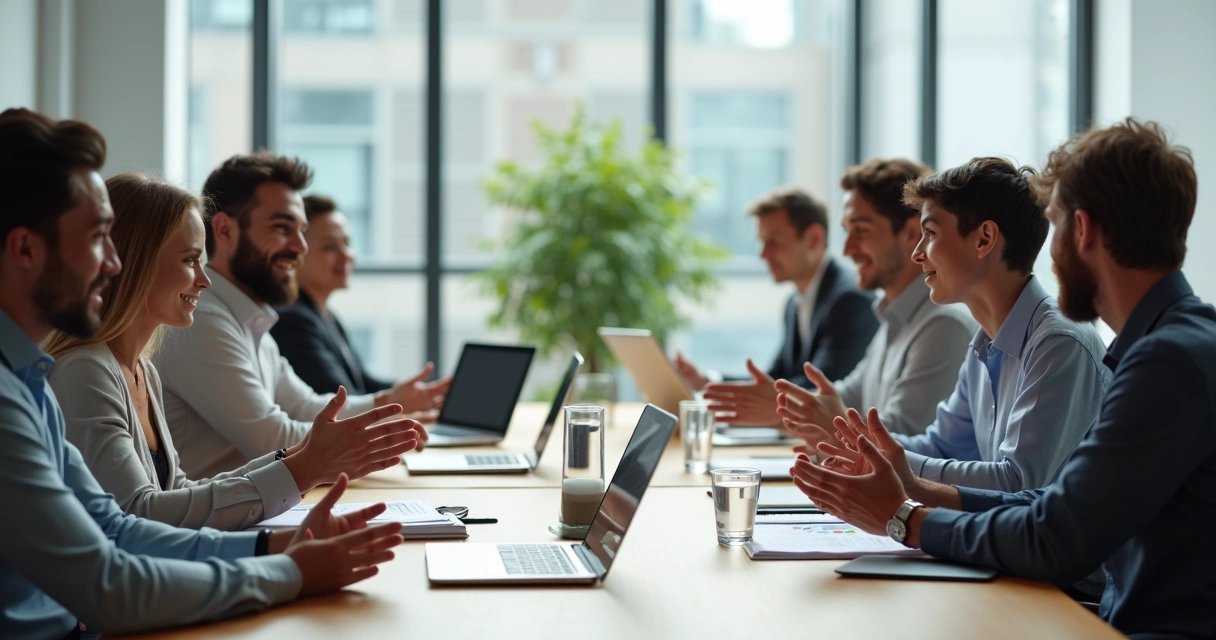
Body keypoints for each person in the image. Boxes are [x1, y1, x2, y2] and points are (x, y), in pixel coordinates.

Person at [791, 118, 1215, 639]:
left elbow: (1053, 534)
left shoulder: (1166, 362)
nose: (1047, 250)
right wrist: (907, 487)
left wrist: (904, 516)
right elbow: (1049, 504)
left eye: (1055, 224)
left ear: (1082, 231)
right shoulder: (1172, 346)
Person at [0, 107, 404, 637]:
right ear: (26, 248)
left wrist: (278, 545)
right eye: (98, 238)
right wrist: (287, 570)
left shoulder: (32, 385)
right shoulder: (38, 389)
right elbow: (108, 584)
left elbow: (118, 531)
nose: (112, 263)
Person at [46, 174, 423, 530]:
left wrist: (298, 461)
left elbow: (177, 490)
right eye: (190, 260)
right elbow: (138, 516)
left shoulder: (142, 370)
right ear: (134, 263)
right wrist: (304, 468)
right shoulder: (85, 372)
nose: (203, 279)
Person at [786, 157, 1110, 492]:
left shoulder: (1059, 344)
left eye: (930, 233)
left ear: (984, 239)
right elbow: (941, 447)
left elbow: (1016, 484)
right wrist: (861, 449)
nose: (917, 253)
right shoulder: (985, 344)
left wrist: (880, 458)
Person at [153, 153, 447, 478]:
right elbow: (272, 440)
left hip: (255, 510)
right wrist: (377, 430)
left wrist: (388, 402)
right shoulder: (203, 320)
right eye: (282, 227)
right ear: (224, 230)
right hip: (221, 523)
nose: (301, 247)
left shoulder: (250, 321)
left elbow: (307, 407)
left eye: (302, 230)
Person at [773, 158, 976, 446]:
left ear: (910, 234)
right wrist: (779, 401)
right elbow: (845, 397)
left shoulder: (944, 326)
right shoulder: (893, 319)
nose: (846, 249)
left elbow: (899, 435)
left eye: (861, 230)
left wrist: (798, 411)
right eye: (846, 231)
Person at [677, 187, 880, 426]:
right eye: (761, 242)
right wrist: (708, 381)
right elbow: (776, 378)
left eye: (773, 242)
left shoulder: (851, 300)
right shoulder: (794, 303)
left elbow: (822, 390)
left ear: (814, 238)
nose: (762, 254)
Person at [271, 194, 395, 395]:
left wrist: (427, 391)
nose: (346, 255)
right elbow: (340, 400)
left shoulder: (326, 315)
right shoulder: (293, 321)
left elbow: (363, 382)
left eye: (346, 242)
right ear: (296, 252)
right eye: (329, 247)